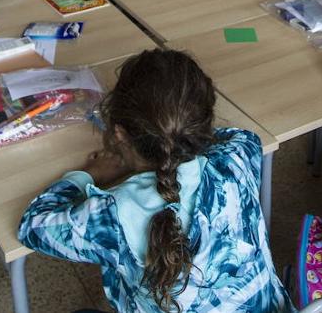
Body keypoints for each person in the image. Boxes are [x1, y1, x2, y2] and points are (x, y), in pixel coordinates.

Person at [18, 49, 295, 313]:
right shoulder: (235, 160)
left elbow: (33, 224)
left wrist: (89, 174)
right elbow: (244, 137)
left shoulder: (113, 213)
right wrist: (180, 140)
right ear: (201, 124)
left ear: (120, 135)